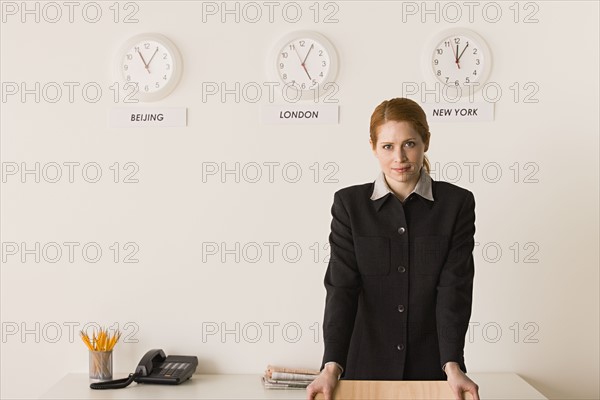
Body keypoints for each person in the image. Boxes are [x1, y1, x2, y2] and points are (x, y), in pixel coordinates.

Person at [306, 98, 480, 400]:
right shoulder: (349, 206)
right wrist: (331, 366)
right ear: (373, 147)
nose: (399, 157)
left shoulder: (457, 205)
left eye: (409, 143)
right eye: (387, 146)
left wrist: (452, 364)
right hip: (364, 370)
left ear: (426, 141)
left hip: (432, 371)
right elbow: (341, 288)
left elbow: (455, 288)